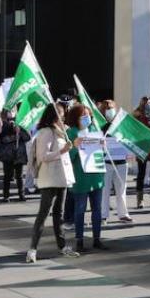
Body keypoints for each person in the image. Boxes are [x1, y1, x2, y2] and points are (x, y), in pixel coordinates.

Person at [26, 103, 79, 262]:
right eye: (61, 113)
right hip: (50, 178)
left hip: (61, 177)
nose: (63, 116)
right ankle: (32, 249)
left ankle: (62, 246)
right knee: (43, 214)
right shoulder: (46, 132)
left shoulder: (60, 132)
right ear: (54, 115)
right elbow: (43, 156)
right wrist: (63, 150)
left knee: (59, 214)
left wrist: (69, 147)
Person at [67, 103, 107, 253]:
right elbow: (67, 157)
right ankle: (79, 241)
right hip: (80, 177)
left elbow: (100, 155)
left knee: (97, 209)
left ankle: (97, 239)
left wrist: (102, 147)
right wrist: (74, 146)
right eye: (84, 116)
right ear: (76, 118)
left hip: (96, 176)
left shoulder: (94, 131)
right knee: (80, 210)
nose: (87, 118)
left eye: (89, 115)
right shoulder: (71, 133)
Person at [99, 99, 132, 224]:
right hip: (106, 162)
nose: (109, 111)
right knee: (105, 190)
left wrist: (130, 153)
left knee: (121, 189)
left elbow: (128, 140)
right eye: (107, 109)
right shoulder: (100, 126)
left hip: (121, 162)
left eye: (111, 108)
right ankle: (103, 215)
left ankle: (123, 214)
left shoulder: (121, 125)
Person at [0, 109, 30, 202]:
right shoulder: (2, 124)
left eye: (13, 110)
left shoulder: (21, 123)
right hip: (7, 155)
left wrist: (20, 131)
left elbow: (27, 137)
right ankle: (6, 196)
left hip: (19, 154)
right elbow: (1, 138)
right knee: (7, 176)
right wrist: (14, 136)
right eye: (10, 111)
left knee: (19, 176)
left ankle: (21, 195)